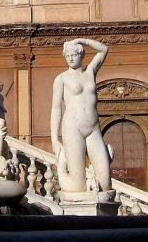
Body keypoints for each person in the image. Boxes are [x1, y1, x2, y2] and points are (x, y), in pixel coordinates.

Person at [51, 38, 111, 193]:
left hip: (93, 128)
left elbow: (103, 49)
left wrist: (81, 40)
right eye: (67, 55)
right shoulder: (61, 78)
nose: (70, 58)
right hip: (73, 128)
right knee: (77, 187)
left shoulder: (90, 71)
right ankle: (62, 167)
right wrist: (54, 139)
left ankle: (106, 157)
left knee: (105, 183)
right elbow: (56, 108)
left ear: (81, 55)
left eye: (73, 54)